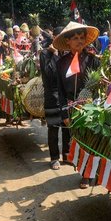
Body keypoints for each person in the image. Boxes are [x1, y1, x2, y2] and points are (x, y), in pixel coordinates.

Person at [53, 21, 100, 188]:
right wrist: (64, 113)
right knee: (79, 142)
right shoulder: (61, 63)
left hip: (92, 107)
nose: (79, 41)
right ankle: (85, 174)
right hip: (72, 108)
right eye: (75, 38)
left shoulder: (94, 60)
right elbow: (59, 89)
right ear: (68, 41)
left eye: (82, 38)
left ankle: (93, 173)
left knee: (93, 140)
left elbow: (100, 86)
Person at [39, 26, 66, 170]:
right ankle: (54, 158)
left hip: (66, 95)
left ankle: (67, 154)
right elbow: (51, 74)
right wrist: (54, 54)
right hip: (52, 95)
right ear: (54, 37)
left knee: (67, 127)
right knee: (54, 127)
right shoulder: (45, 54)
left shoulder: (67, 52)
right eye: (58, 35)